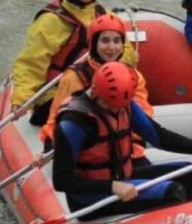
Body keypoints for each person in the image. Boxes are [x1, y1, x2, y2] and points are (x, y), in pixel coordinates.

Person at [51, 61, 192, 220]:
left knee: (189, 174)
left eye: (121, 106)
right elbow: (61, 180)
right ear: (97, 93)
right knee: (172, 192)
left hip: (123, 179)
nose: (116, 111)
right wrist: (113, 187)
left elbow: (160, 137)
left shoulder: (124, 103)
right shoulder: (74, 121)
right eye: (110, 105)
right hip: (91, 198)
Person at [10, 0, 137, 126]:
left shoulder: (104, 16)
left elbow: (129, 55)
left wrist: (111, 53)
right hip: (57, 93)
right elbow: (30, 63)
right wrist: (22, 98)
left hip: (99, 88)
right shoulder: (51, 21)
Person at [39, 14, 153, 158]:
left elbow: (143, 114)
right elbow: (57, 119)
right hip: (89, 154)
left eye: (117, 41)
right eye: (105, 41)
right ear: (94, 43)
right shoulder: (73, 78)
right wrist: (50, 148)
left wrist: (132, 144)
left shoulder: (134, 76)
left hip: (126, 151)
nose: (112, 47)